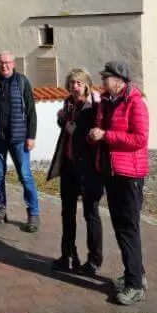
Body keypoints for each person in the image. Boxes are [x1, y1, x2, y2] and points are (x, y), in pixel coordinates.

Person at [89, 60, 150, 306]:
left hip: (130, 174)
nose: (103, 81)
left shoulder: (135, 102)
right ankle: (135, 273)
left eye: (106, 77)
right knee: (121, 227)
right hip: (111, 172)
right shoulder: (106, 101)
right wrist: (95, 136)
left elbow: (140, 138)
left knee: (129, 227)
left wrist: (106, 135)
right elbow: (102, 131)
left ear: (119, 80)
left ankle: (135, 286)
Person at [46, 68, 104, 276]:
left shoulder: (94, 105)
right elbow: (66, 126)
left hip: (89, 168)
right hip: (69, 165)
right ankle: (69, 256)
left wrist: (75, 129)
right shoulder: (68, 103)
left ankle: (94, 260)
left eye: (79, 83)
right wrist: (63, 120)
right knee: (67, 212)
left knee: (91, 214)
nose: (75, 87)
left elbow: (93, 135)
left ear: (87, 85)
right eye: (72, 83)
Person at [0, 51, 40, 232]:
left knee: (25, 176)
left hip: (19, 138)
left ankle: (33, 214)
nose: (4, 66)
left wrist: (31, 136)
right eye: (1, 63)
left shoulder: (22, 81)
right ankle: (0, 209)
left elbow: (31, 111)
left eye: (7, 62)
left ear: (13, 63)